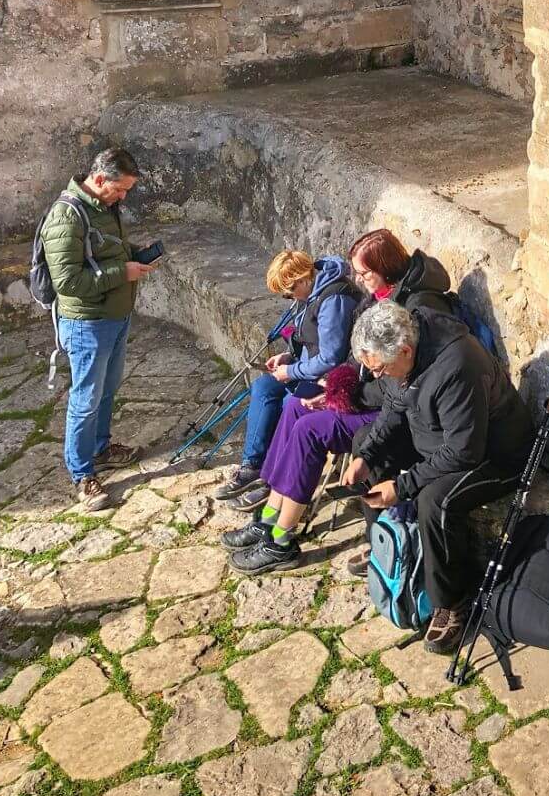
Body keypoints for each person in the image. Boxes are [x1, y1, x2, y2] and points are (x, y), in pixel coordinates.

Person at [342, 299, 532, 654]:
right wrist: (365, 457)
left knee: (436, 500)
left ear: (405, 350)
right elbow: (394, 407)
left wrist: (401, 486)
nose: (378, 376)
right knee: (365, 441)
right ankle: (386, 545)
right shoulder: (403, 357)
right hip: (436, 436)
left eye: (380, 369)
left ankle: (451, 604)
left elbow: (464, 451)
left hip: (494, 455)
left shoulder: (457, 364)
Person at [41, 148, 157, 511]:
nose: (123, 197)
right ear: (100, 179)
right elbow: (68, 281)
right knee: (86, 399)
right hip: (87, 323)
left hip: (114, 316)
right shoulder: (66, 216)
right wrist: (123, 273)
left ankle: (101, 449)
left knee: (106, 391)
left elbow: (107, 249)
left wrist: (135, 254)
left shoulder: (103, 208)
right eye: (120, 189)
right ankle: (82, 474)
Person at [214, 249, 366, 509]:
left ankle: (273, 482)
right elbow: (311, 340)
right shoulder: (312, 293)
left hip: (328, 377)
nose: (288, 297)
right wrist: (288, 356)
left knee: (290, 403)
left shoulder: (334, 299)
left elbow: (331, 356)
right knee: (263, 386)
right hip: (306, 368)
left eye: (289, 291)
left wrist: (292, 372)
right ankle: (252, 465)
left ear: (303, 280)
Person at [220, 360, 383, 572]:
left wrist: (339, 396)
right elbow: (360, 361)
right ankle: (270, 518)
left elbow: (390, 390)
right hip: (364, 397)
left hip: (383, 411)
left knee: (310, 430)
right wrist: (330, 385)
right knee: (296, 406)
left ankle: (281, 540)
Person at [348, 228, 453, 315]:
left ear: (385, 268)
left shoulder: (418, 309)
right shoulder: (379, 296)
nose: (358, 279)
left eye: (363, 273)